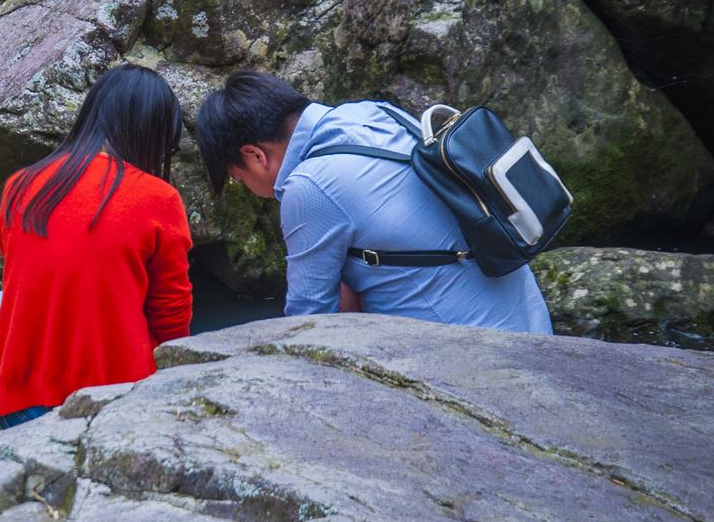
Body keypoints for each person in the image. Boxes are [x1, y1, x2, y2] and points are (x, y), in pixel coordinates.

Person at [195, 71, 551, 333]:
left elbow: (307, 321)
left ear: (255, 156)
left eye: (238, 180)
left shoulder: (309, 186)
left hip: (468, 353)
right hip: (531, 320)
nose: (247, 187)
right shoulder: (373, 113)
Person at [0, 64, 194, 428]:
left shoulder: (19, 185)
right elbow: (172, 319)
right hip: (112, 408)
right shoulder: (159, 198)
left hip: (26, 407)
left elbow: (23, 279)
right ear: (151, 135)